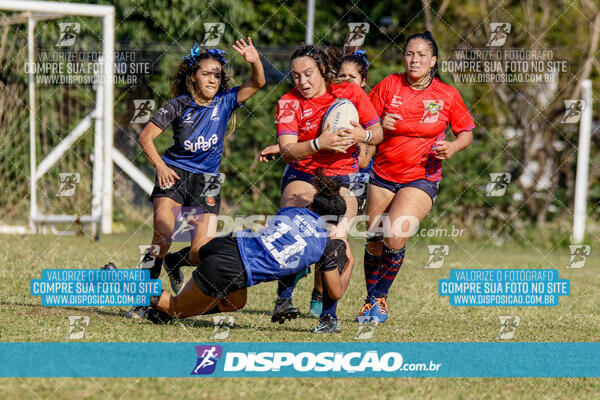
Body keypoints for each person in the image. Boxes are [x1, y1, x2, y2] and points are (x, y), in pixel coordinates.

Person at [129, 38, 265, 319]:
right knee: (163, 236)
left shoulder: (226, 102)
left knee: (200, 251)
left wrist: (254, 61)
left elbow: (257, 83)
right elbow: (146, 138)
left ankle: (174, 263)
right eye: (207, 73)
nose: (214, 79)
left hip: (208, 182)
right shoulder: (178, 105)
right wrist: (160, 166)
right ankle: (142, 298)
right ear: (193, 76)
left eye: (217, 74)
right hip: (175, 176)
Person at [259, 44, 382, 324]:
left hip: (342, 178)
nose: (302, 82)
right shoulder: (288, 102)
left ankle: (328, 317)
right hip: (302, 174)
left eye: (308, 74)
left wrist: (362, 134)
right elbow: (288, 150)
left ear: (324, 71)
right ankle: (283, 300)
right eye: (296, 76)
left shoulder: (350, 93)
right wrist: (319, 143)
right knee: (292, 228)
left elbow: (378, 132)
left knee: (336, 240)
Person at [358, 31, 474, 323]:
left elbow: (466, 133)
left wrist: (453, 146)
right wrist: (380, 124)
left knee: (394, 235)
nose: (414, 60)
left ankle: (378, 298)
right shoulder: (388, 85)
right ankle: (369, 301)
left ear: (433, 60)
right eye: (410, 53)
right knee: (374, 238)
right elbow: (365, 126)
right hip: (382, 174)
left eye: (421, 55)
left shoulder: (446, 94)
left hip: (421, 177)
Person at [148, 171, 355, 333]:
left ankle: (176, 280)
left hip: (232, 242)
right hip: (233, 268)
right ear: (334, 223)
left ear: (311, 204)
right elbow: (335, 292)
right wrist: (350, 262)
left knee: (236, 303)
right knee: (175, 305)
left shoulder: (292, 211)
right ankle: (122, 284)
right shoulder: (325, 246)